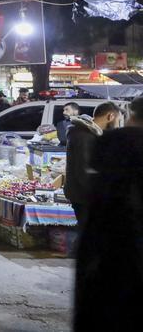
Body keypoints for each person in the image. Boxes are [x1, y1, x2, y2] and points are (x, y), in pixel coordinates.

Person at [73, 97, 143, 331]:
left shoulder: (112, 149)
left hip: (111, 275)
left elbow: (96, 235)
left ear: (132, 116)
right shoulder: (99, 142)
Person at [65, 101, 121, 226]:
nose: (117, 125)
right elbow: (84, 172)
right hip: (84, 197)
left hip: (83, 195)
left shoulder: (89, 133)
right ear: (110, 117)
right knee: (88, 235)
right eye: (118, 121)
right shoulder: (84, 136)